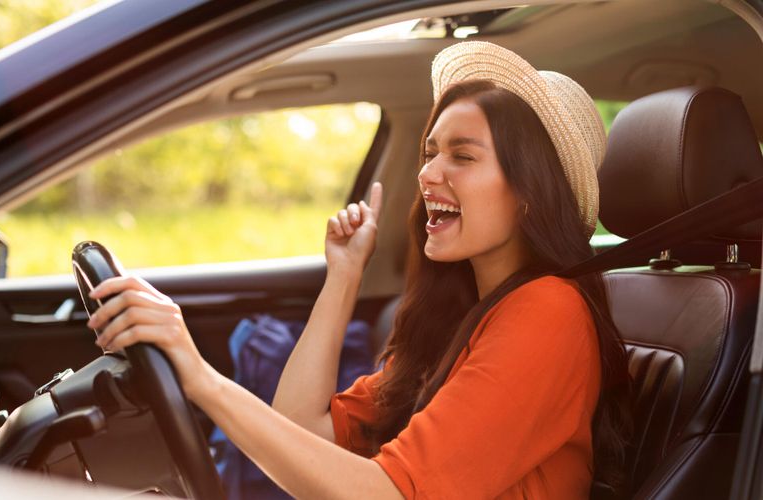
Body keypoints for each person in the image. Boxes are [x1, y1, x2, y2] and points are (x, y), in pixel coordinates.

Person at [86, 41, 633, 499]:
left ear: (530, 194)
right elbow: (299, 430)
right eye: (430, 153)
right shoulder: (461, 319)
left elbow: (388, 494)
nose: (428, 174)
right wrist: (345, 274)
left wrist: (199, 377)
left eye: (462, 156)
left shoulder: (549, 311)